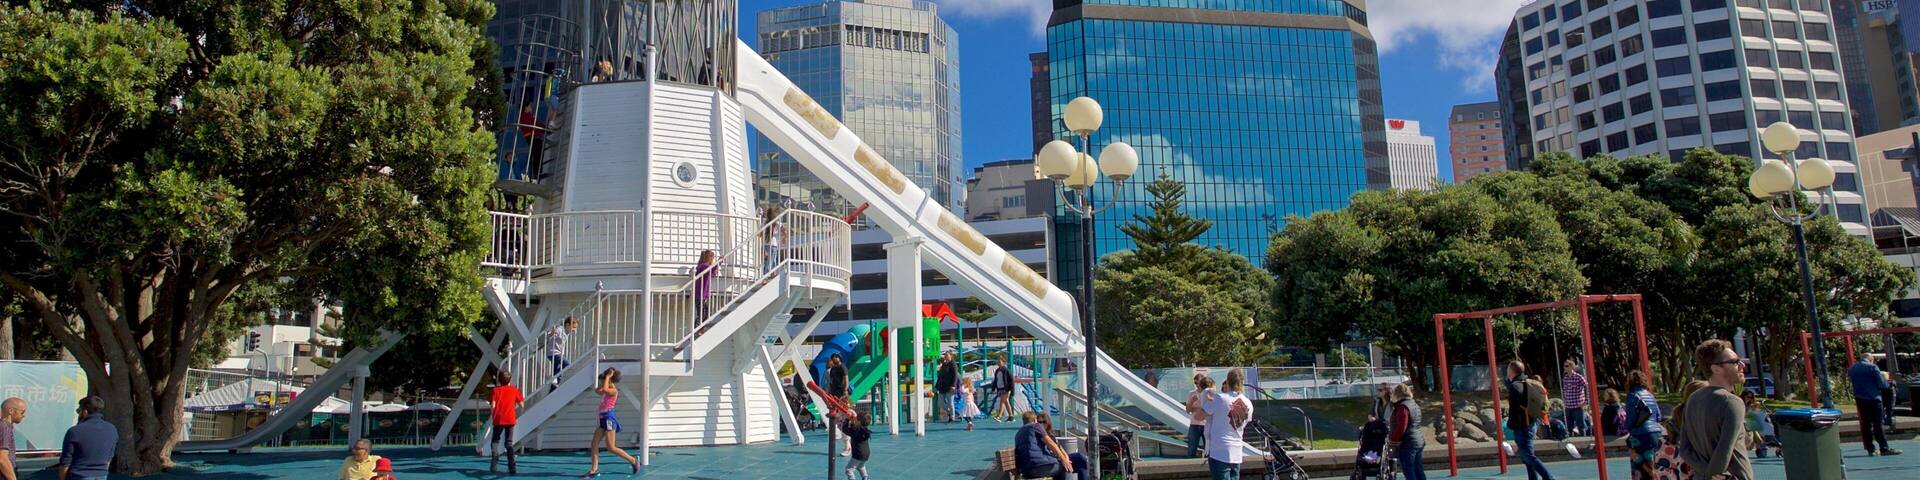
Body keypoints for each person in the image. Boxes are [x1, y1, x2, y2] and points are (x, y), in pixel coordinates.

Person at [1675, 339, 1753, 480]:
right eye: (1734, 362)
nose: (1742, 365)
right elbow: (1724, 450)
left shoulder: (1693, 399)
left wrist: (1705, 472)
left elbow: (1685, 450)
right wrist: (1715, 475)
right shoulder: (1732, 402)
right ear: (1716, 368)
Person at [1503, 361, 1553, 480]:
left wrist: (1510, 424)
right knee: (1526, 456)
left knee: (1528, 455)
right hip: (1532, 421)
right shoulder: (1526, 383)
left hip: (1522, 425)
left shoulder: (1515, 386)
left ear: (1511, 371)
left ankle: (1549, 478)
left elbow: (1515, 409)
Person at [586, 368, 639, 477]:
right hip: (602, 419)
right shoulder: (605, 389)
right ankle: (594, 469)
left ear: (610, 380)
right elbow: (598, 390)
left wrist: (608, 377)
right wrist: (604, 380)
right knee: (594, 443)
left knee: (611, 447)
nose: (602, 383)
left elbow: (605, 389)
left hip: (609, 419)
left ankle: (633, 460)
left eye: (603, 381)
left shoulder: (613, 391)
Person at [1202, 369, 1254, 480]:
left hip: (1219, 450)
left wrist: (1206, 397)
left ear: (1228, 381)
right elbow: (1245, 421)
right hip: (1237, 451)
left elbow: (1203, 413)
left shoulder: (1221, 398)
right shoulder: (1248, 403)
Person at [1848, 356, 1901, 455]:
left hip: (1860, 398)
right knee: (1878, 424)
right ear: (1871, 359)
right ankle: (1884, 448)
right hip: (1873, 398)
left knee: (1866, 425)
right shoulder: (1873, 367)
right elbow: (1881, 384)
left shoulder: (1853, 368)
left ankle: (1870, 449)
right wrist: (1888, 385)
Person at [1013, 412, 1087, 480]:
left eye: (1044, 422)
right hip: (1040, 467)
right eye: (1039, 422)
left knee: (1079, 465)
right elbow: (1050, 443)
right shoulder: (1035, 426)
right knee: (1078, 459)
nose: (1041, 424)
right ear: (1035, 420)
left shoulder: (1018, 434)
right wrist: (1063, 460)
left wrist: (1064, 458)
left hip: (1027, 470)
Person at [56, 396, 115, 480]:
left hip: (78, 475)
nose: (78, 413)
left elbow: (65, 463)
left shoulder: (74, 431)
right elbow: (108, 460)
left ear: (85, 412)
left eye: (78, 410)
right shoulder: (112, 429)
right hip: (102, 475)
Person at [1623, 371, 1663, 480]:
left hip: (1640, 435)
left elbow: (1631, 417)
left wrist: (1627, 427)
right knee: (1653, 467)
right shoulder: (1650, 395)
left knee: (1639, 469)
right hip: (1655, 434)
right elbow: (1658, 416)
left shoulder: (1632, 395)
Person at [1388, 383, 1427, 480]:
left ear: (1397, 394)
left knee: (1409, 471)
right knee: (1418, 470)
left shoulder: (1403, 407)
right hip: (1418, 440)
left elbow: (1402, 427)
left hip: (1408, 443)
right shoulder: (1414, 404)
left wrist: (1393, 439)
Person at [489, 370, 525, 474]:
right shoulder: (514, 390)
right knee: (509, 443)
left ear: (499, 380)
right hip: (510, 418)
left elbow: (493, 405)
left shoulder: (495, 390)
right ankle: (512, 467)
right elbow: (522, 405)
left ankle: (494, 459)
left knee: (495, 440)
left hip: (498, 418)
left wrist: (493, 415)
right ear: (510, 380)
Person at [826, 354, 851, 457]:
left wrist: (845, 391)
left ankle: (848, 446)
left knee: (844, 418)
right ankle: (847, 445)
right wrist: (830, 394)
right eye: (833, 357)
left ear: (839, 358)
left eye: (836, 357)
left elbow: (846, 378)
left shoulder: (842, 367)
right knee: (838, 420)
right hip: (835, 396)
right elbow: (831, 382)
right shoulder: (832, 370)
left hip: (842, 396)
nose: (834, 359)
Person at [1185, 374, 1215, 458]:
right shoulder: (1192, 393)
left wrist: (1197, 407)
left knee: (1209, 450)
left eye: (1199, 383)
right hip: (1194, 425)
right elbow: (1188, 410)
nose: (1197, 385)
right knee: (1192, 449)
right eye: (1195, 383)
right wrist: (1192, 402)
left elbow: (1211, 409)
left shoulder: (1210, 394)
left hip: (1207, 424)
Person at [1741, 391, 1778, 459]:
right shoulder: (1740, 403)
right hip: (1743, 421)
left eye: (1751, 397)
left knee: (1757, 424)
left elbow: (1752, 414)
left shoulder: (1750, 405)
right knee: (1753, 426)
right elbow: (1743, 414)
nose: (1748, 399)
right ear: (1743, 396)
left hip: (1749, 421)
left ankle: (1762, 441)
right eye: (1747, 397)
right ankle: (1760, 442)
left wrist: (1753, 407)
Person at [838, 411, 873, 480]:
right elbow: (855, 428)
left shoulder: (855, 430)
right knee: (861, 466)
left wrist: (847, 419)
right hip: (866, 454)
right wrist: (852, 421)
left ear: (859, 422)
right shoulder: (864, 430)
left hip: (858, 454)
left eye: (856, 419)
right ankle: (865, 477)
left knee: (849, 470)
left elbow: (845, 429)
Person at [547, 316, 578, 392]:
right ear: (567, 325)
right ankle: (553, 379)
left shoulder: (567, 332)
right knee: (567, 364)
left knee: (558, 374)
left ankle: (552, 392)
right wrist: (551, 333)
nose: (574, 330)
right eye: (573, 327)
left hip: (558, 353)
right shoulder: (560, 329)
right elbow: (549, 335)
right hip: (553, 353)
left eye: (575, 328)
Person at [1561, 360, 1590, 438]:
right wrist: (1564, 400)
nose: (1565, 368)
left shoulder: (1579, 377)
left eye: (1567, 366)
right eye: (1564, 366)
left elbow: (1587, 388)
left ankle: (1584, 440)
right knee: (1569, 426)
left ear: (1572, 367)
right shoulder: (1565, 378)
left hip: (1578, 406)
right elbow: (1564, 390)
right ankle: (1571, 440)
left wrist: (1585, 402)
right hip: (1568, 406)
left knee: (1581, 426)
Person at [1, 398, 24, 480]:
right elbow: (2, 458)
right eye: (22, 412)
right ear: (10, 411)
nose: (24, 415)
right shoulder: (4, 427)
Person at [693, 250, 717, 320]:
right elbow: (710, 271)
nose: (713, 259)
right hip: (700, 294)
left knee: (704, 314)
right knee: (702, 315)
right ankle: (697, 329)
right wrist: (719, 263)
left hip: (701, 294)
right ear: (708, 257)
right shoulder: (704, 266)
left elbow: (710, 273)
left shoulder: (702, 266)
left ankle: (700, 329)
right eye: (712, 257)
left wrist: (714, 272)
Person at [935, 351, 957, 422]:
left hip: (950, 386)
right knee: (940, 403)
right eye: (945, 355)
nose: (945, 356)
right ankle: (949, 413)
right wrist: (936, 386)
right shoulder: (944, 364)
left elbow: (955, 375)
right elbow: (940, 376)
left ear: (951, 356)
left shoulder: (953, 364)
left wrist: (953, 385)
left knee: (950, 402)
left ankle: (952, 417)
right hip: (942, 386)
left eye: (947, 355)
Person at [992, 357, 1016, 421]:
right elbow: (995, 380)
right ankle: (1011, 416)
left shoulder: (1006, 370)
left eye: (1000, 362)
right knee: (1006, 402)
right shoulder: (997, 371)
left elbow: (1011, 380)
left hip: (1006, 389)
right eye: (997, 362)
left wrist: (1011, 390)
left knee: (1002, 401)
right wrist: (993, 388)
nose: (998, 363)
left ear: (1003, 362)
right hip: (1000, 388)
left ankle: (999, 416)